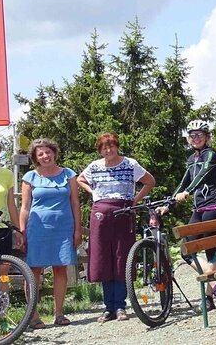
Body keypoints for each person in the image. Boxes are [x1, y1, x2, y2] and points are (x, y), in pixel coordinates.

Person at [78, 132, 156, 323]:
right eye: (104, 147)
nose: (108, 150)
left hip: (123, 212)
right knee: (103, 258)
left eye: (111, 146)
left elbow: (150, 181)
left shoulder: (130, 164)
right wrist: (93, 191)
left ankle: (121, 306)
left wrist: (134, 201)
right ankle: (108, 307)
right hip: (100, 215)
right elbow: (80, 179)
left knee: (122, 257)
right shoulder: (95, 166)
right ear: (100, 150)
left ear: (117, 146)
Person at [159, 120, 216, 310]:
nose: (195, 138)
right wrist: (168, 204)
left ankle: (208, 298)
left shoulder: (211, 155)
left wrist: (188, 192)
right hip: (198, 210)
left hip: (214, 207)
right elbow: (184, 182)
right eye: (192, 135)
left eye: (199, 134)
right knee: (186, 251)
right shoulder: (191, 159)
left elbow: (202, 176)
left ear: (207, 137)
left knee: (211, 251)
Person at [19, 138, 81, 329]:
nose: (45, 156)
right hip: (37, 229)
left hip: (63, 228)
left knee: (60, 269)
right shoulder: (30, 177)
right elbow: (25, 207)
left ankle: (59, 313)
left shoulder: (68, 174)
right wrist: (22, 232)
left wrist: (78, 229)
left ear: (54, 152)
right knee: (34, 271)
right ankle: (33, 315)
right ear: (35, 158)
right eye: (40, 154)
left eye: (48, 152)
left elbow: (75, 203)